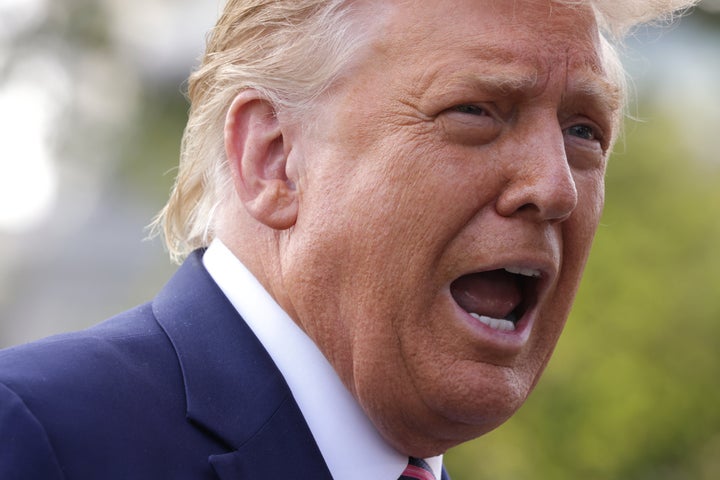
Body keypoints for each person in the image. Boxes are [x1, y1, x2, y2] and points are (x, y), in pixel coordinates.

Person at [0, 1, 698, 479]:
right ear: (273, 159)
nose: (554, 187)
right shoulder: (37, 438)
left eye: (583, 131)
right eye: (476, 111)